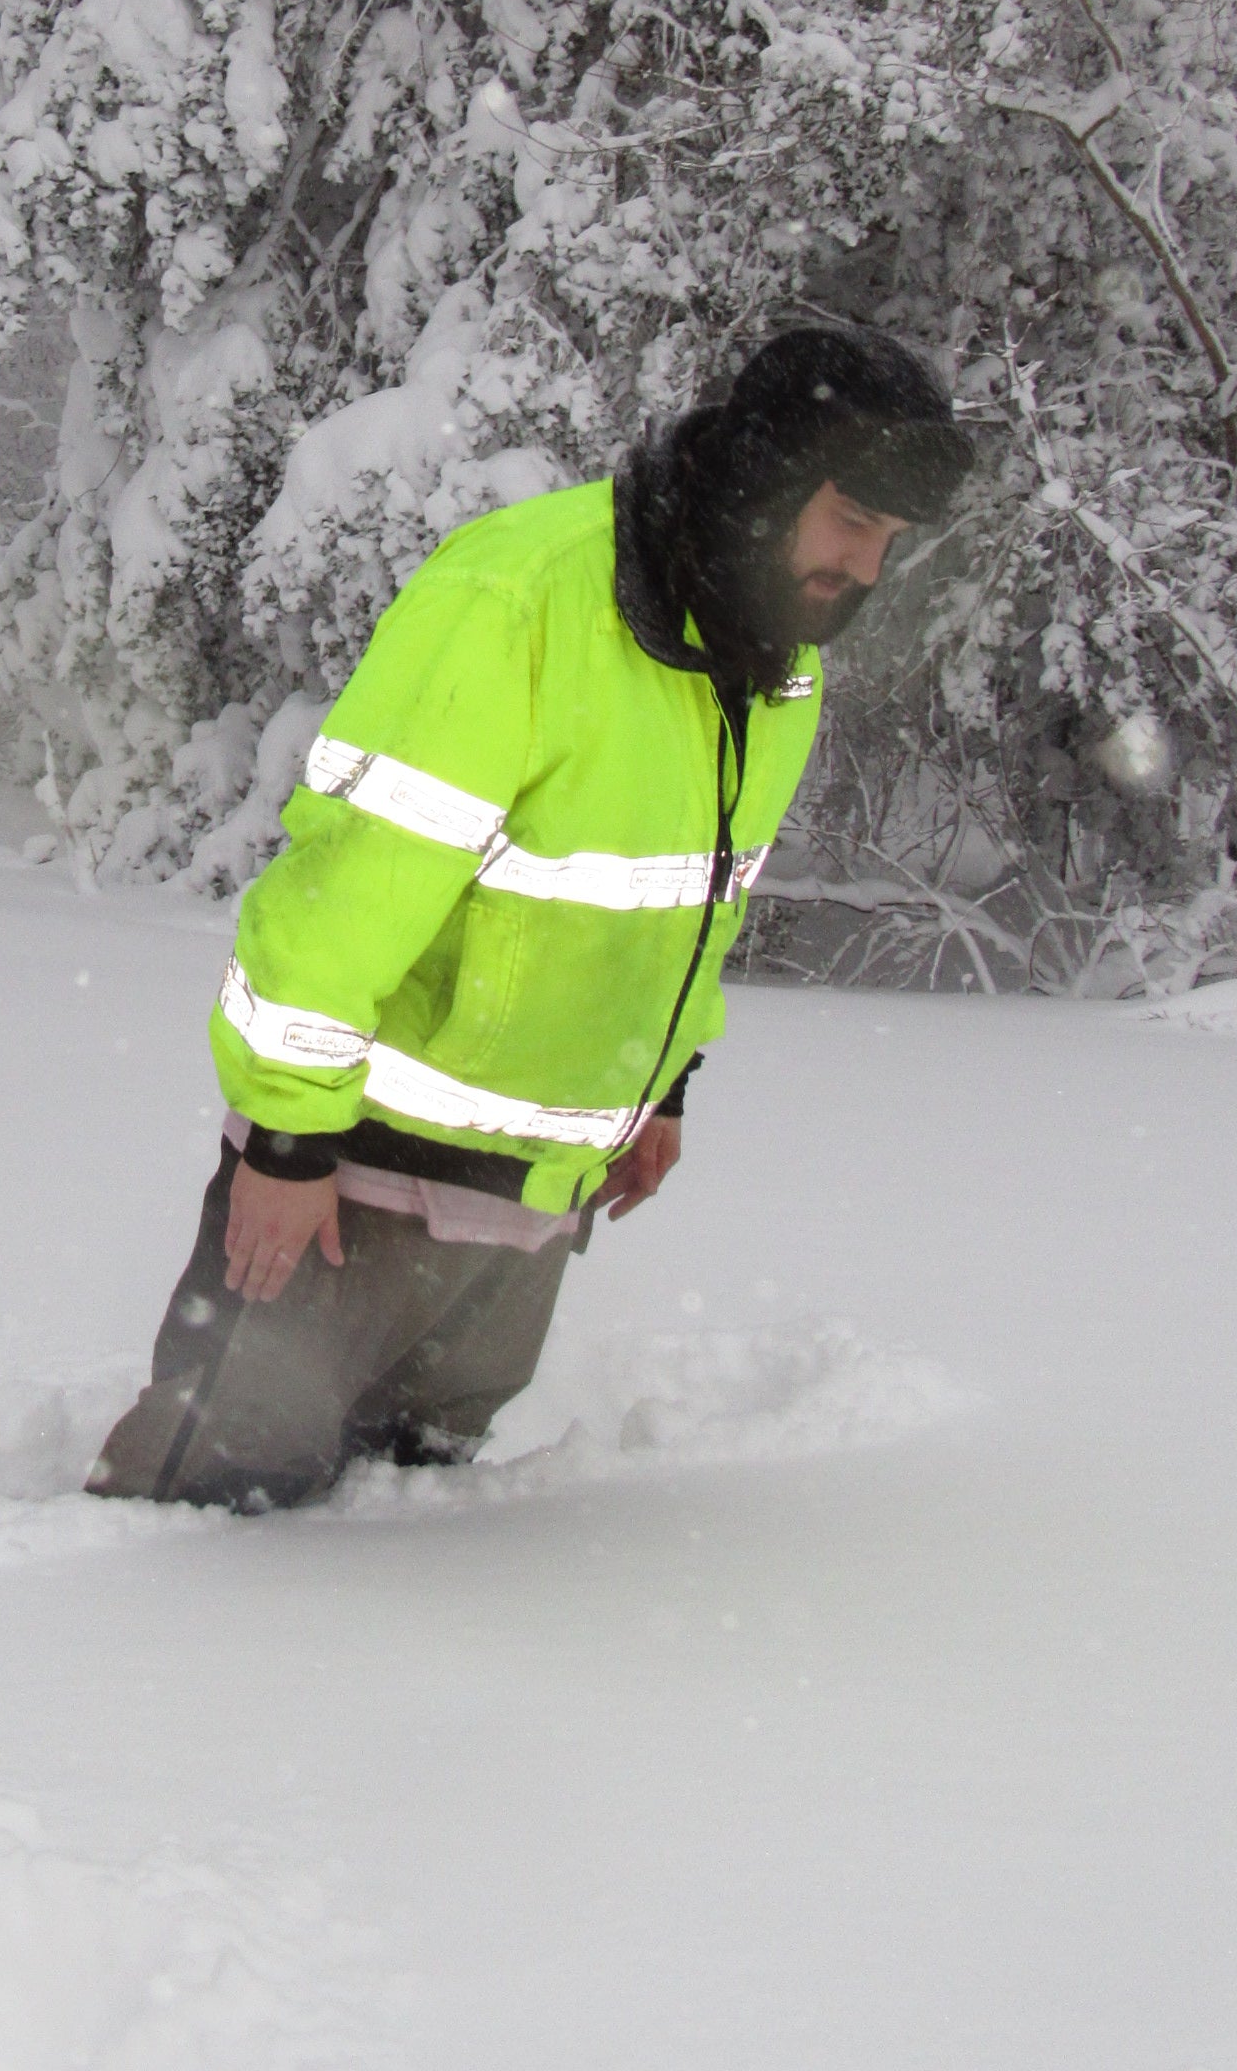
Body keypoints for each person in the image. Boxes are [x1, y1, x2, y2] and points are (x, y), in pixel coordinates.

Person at [86, 325, 975, 1512]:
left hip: (531, 1212)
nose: (865, 567)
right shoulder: (522, 601)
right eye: (852, 521)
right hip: (352, 1191)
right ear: (766, 477)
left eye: (892, 540)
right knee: (207, 1523)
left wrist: (659, 1084)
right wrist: (288, 1144)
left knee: (412, 1525)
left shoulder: (775, 666)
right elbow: (351, 889)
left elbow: (687, 903)